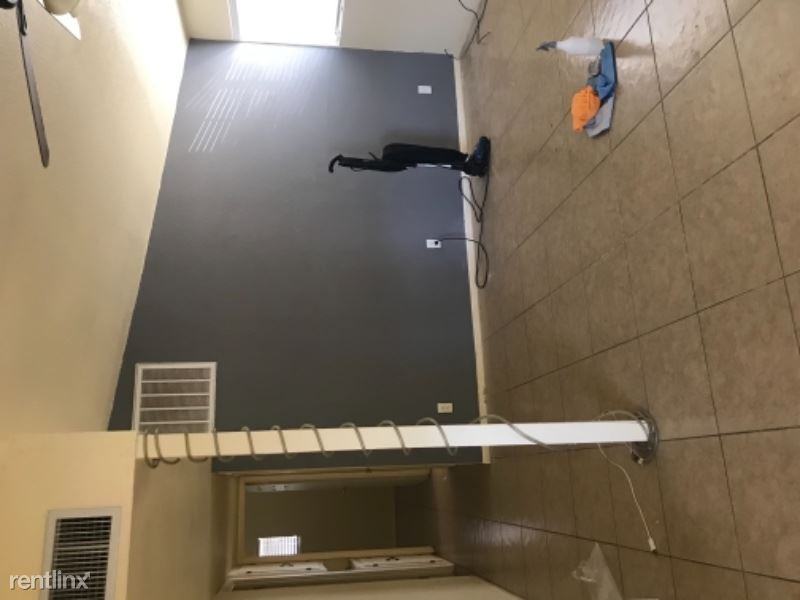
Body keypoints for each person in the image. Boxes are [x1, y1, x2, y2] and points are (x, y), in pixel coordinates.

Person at [328, 136, 491, 177]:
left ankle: (468, 160)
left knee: (435, 153)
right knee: (433, 158)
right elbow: (368, 164)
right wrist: (345, 161)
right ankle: (474, 166)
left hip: (395, 156)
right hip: (399, 160)